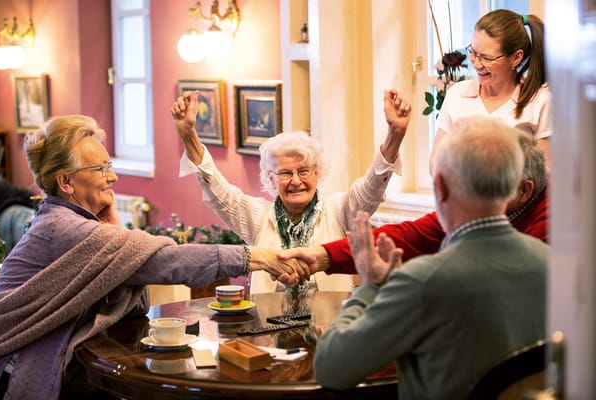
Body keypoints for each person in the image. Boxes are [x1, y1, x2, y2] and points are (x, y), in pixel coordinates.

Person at [0, 115, 307, 400]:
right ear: (65, 182)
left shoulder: (82, 225)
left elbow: (135, 301)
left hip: (58, 352)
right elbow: (166, 261)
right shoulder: (61, 227)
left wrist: (114, 227)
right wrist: (259, 257)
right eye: (101, 169)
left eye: (110, 165)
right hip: (18, 366)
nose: (113, 177)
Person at [313, 116, 548, 399]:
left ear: (440, 187)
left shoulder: (422, 281)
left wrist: (371, 286)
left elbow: (331, 367)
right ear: (513, 186)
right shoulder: (551, 264)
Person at [172, 89, 412, 293]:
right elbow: (218, 191)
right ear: (271, 178)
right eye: (285, 173)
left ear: (317, 172)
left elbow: (370, 188)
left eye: (304, 171)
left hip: (329, 328)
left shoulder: (338, 211)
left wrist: (395, 135)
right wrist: (188, 135)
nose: (296, 181)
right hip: (266, 332)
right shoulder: (257, 217)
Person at [277, 129, 548, 278]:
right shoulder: (483, 207)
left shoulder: (552, 225)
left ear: (525, 190)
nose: (479, 190)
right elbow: (410, 237)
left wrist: (376, 283)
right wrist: (321, 256)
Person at [430, 9, 551, 172]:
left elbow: (544, 173)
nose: (477, 64)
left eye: (487, 58)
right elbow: (435, 165)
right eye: (473, 52)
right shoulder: (456, 96)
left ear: (516, 58)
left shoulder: (540, 101)